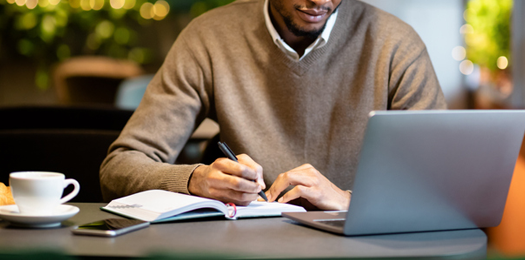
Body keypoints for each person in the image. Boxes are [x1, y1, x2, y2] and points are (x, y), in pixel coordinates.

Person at [100, 0, 447, 210]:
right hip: (248, 248)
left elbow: (443, 185)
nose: (319, 2)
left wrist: (349, 202)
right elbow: (118, 169)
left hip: (365, 249)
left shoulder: (397, 45)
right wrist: (195, 179)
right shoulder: (209, 37)